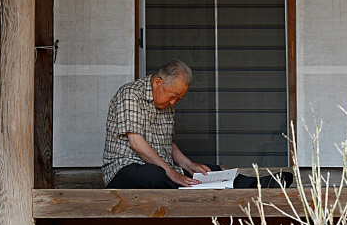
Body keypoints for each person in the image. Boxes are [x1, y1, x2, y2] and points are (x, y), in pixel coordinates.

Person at [102, 59, 293, 189]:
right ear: (157, 83)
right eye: (173, 96)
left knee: (208, 171)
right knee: (155, 176)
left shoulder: (166, 102)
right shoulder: (130, 95)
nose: (174, 102)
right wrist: (172, 173)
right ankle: (197, 186)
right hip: (124, 170)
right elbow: (137, 143)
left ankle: (258, 184)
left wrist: (189, 164)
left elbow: (167, 143)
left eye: (180, 98)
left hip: (160, 166)